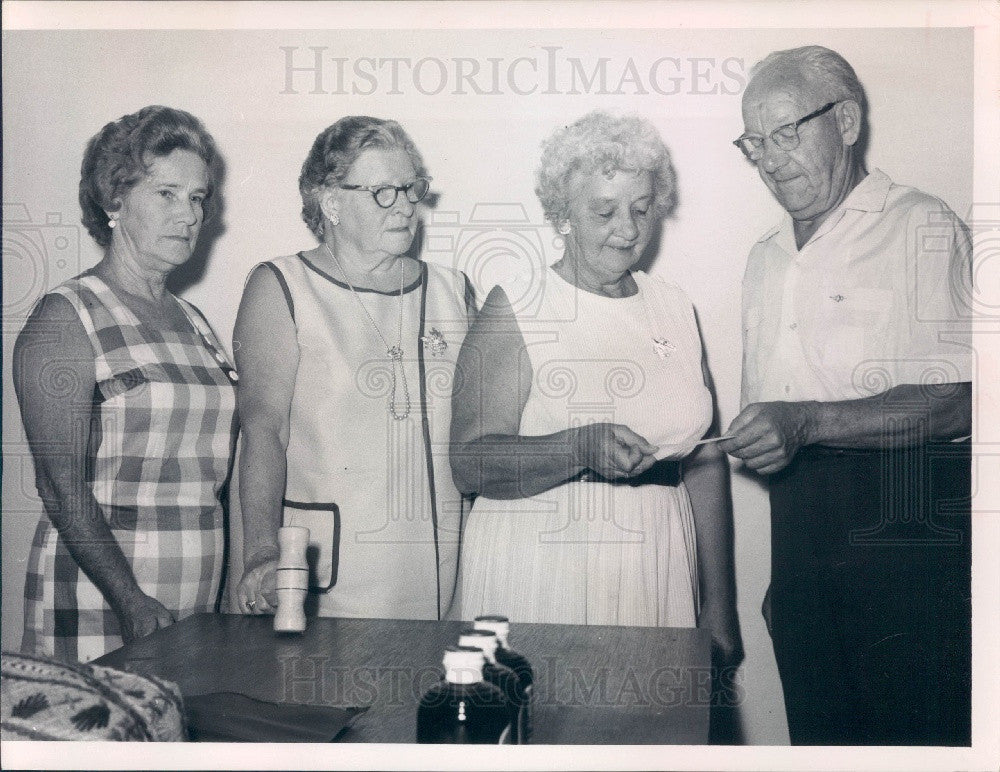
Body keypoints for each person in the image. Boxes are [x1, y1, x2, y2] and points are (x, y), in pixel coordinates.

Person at [721, 45, 972, 745]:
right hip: (802, 548)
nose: (771, 160)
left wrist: (805, 421)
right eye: (756, 143)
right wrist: (792, 576)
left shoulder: (920, 224)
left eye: (788, 132)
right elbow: (775, 438)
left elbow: (964, 399)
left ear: (848, 120)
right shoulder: (764, 257)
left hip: (910, 543)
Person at [450, 111, 742, 668]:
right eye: (604, 212)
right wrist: (579, 447)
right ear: (562, 214)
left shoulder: (675, 307)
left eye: (641, 209)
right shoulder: (520, 304)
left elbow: (703, 462)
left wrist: (721, 607)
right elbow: (469, 461)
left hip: (657, 560)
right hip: (542, 563)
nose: (628, 230)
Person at [14, 106, 237, 663]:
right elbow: (59, 487)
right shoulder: (67, 317)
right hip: (102, 598)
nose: (188, 214)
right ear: (114, 199)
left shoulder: (194, 322)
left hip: (195, 593)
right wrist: (130, 600)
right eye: (166, 193)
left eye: (197, 198)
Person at [234, 116, 473, 621]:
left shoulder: (456, 292)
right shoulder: (282, 287)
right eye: (384, 191)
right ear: (332, 202)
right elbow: (263, 431)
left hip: (444, 572)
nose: (407, 205)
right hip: (323, 575)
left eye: (411, 188)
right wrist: (259, 551)